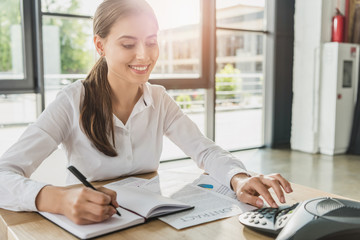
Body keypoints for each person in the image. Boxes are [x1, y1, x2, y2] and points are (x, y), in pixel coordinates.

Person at [0, 0, 292, 225]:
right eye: (128, 44)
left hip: (150, 223)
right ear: (99, 45)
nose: (144, 55)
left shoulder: (159, 99)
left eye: (151, 41)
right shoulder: (71, 101)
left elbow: (205, 151)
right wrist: (55, 198)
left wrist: (239, 178)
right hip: (93, 224)